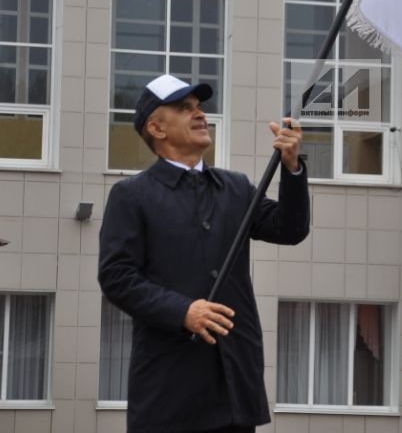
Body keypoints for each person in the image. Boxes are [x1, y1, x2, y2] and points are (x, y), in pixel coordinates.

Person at [98, 75, 310, 433]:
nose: (200, 115)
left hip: (234, 388)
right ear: (156, 128)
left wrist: (292, 168)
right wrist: (183, 311)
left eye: (199, 108)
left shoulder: (236, 188)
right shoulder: (131, 195)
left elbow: (290, 230)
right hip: (169, 392)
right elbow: (117, 277)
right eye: (184, 108)